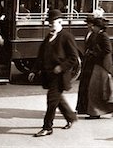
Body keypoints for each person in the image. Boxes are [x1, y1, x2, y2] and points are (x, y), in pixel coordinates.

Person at [28, 9, 78, 137]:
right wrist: (33, 70)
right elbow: (41, 56)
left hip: (60, 76)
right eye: (49, 22)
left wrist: (61, 67)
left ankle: (47, 127)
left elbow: (73, 58)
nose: (50, 25)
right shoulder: (48, 37)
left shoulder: (67, 37)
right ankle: (70, 117)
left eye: (52, 22)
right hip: (49, 75)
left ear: (60, 22)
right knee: (57, 99)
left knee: (51, 100)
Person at [80, 17, 113, 119]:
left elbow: (108, 49)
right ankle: (107, 108)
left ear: (99, 27)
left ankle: (100, 111)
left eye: (94, 26)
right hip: (99, 65)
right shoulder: (99, 35)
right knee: (98, 90)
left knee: (96, 89)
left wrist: (95, 53)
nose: (92, 27)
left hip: (103, 66)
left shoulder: (103, 36)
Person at [76, 14, 97, 115]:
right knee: (83, 85)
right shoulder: (89, 33)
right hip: (87, 61)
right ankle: (82, 108)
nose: (88, 26)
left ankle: (86, 107)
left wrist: (91, 53)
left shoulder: (96, 34)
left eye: (89, 24)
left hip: (91, 63)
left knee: (87, 86)